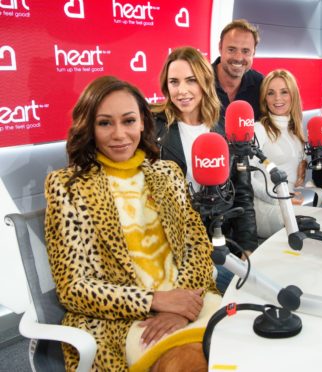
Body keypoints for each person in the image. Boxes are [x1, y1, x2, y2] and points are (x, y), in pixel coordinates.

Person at [44, 75, 221, 372]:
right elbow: (73, 287)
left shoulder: (167, 174)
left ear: (142, 122)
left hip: (190, 301)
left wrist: (183, 306)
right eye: (104, 123)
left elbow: (198, 248)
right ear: (88, 127)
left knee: (255, 341)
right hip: (126, 321)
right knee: (195, 362)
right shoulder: (67, 186)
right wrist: (154, 300)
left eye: (128, 121)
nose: (119, 134)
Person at [153, 46, 258, 293]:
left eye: (191, 80)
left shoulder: (225, 127)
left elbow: (243, 192)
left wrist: (248, 247)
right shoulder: (153, 127)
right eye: (174, 82)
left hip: (220, 242)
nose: (182, 91)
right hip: (175, 250)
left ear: (205, 82)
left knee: (251, 291)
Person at [251, 69, 307, 238]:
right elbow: (246, 179)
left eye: (284, 92)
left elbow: (295, 178)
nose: (277, 99)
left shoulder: (297, 132)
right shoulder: (258, 129)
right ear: (264, 98)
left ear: (293, 95)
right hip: (265, 208)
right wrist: (278, 199)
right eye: (271, 93)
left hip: (289, 204)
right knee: (307, 226)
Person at [213, 18, 264, 122]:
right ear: (220, 47)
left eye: (245, 51)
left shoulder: (261, 84)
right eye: (231, 49)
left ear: (254, 53)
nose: (238, 58)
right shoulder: (199, 80)